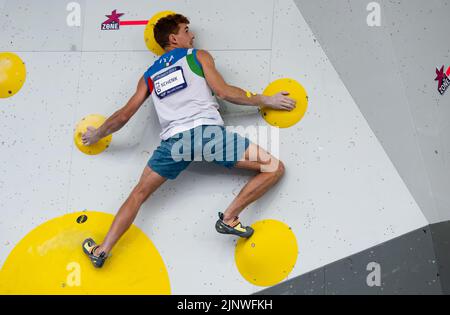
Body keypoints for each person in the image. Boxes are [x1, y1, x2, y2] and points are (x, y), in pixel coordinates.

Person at [81, 14, 297, 268]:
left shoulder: (149, 75)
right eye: (186, 30)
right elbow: (224, 92)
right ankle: (229, 217)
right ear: (174, 38)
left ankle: (103, 249)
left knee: (138, 194)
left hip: (174, 145)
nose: (191, 35)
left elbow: (124, 115)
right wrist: (266, 100)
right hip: (207, 136)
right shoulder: (197, 56)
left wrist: (97, 134)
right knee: (273, 168)